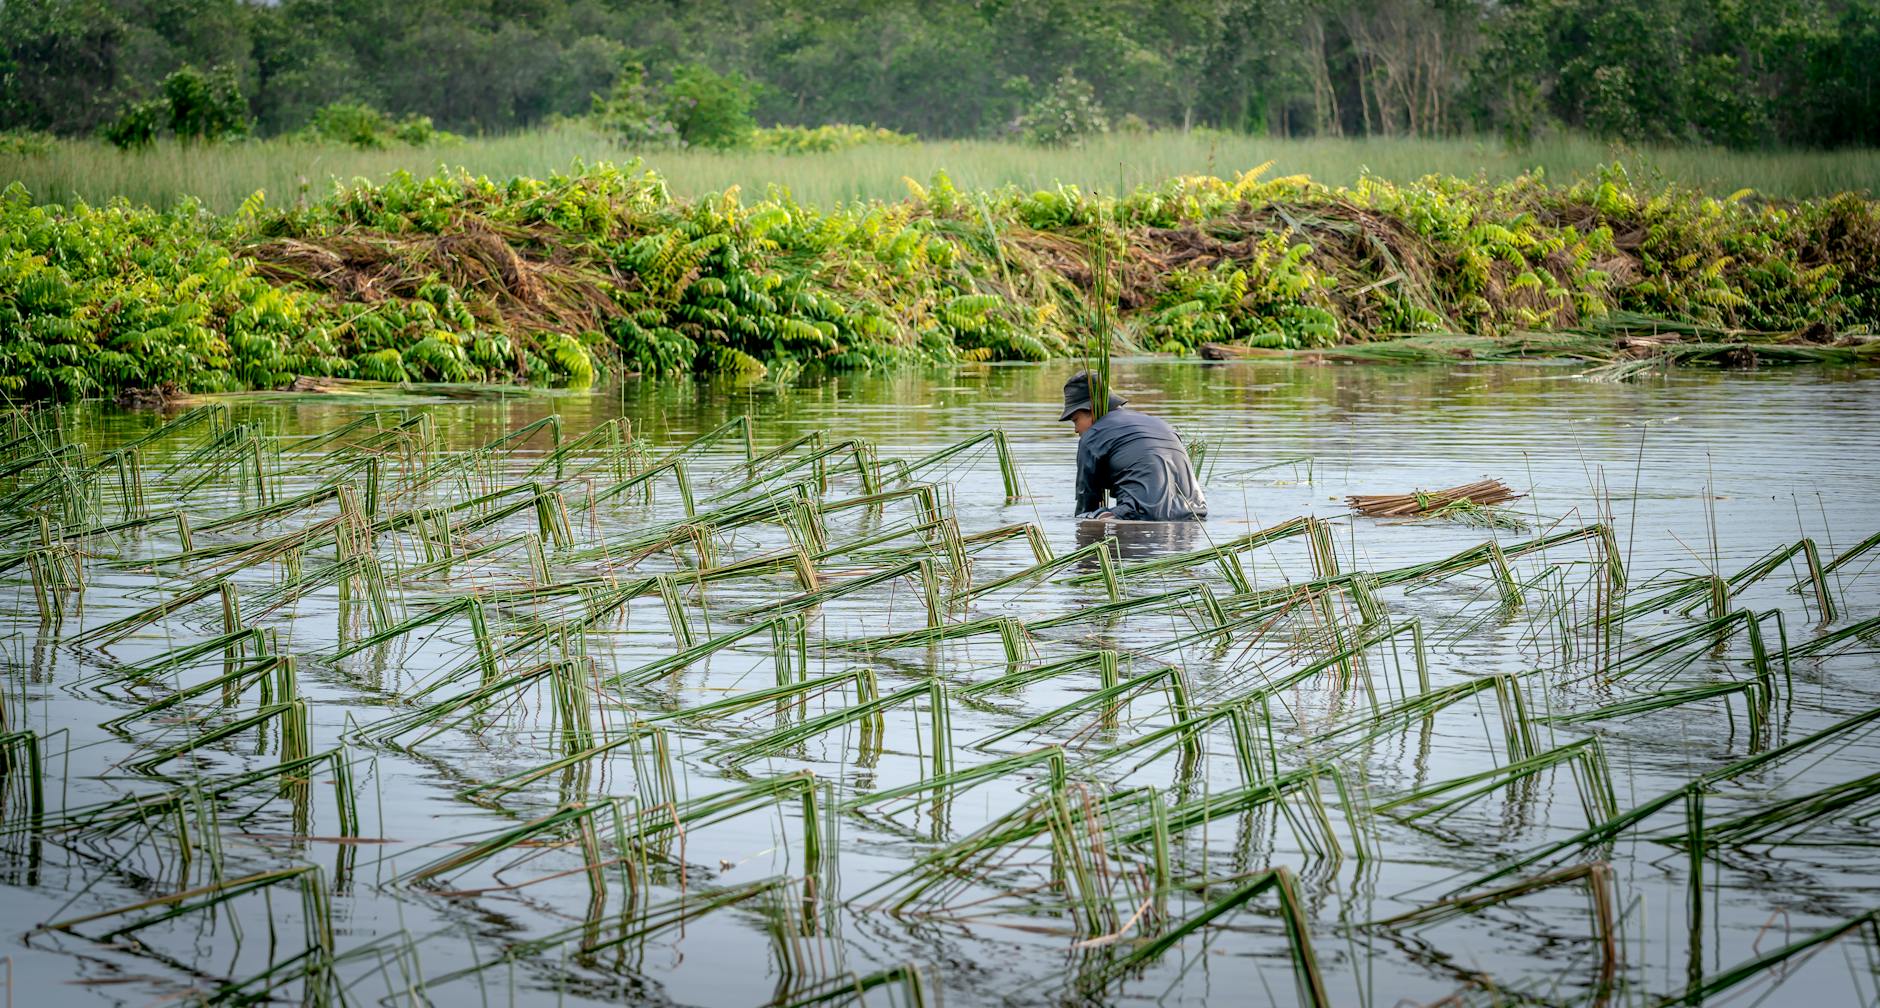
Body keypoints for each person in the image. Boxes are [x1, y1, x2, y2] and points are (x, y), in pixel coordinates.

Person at [1059, 370, 1207, 521]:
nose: (1076, 429)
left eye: (1075, 420)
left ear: (1091, 410)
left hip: (1141, 517)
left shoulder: (1093, 436)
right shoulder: (1161, 424)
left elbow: (1086, 504)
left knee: (1087, 519)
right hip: (1195, 514)